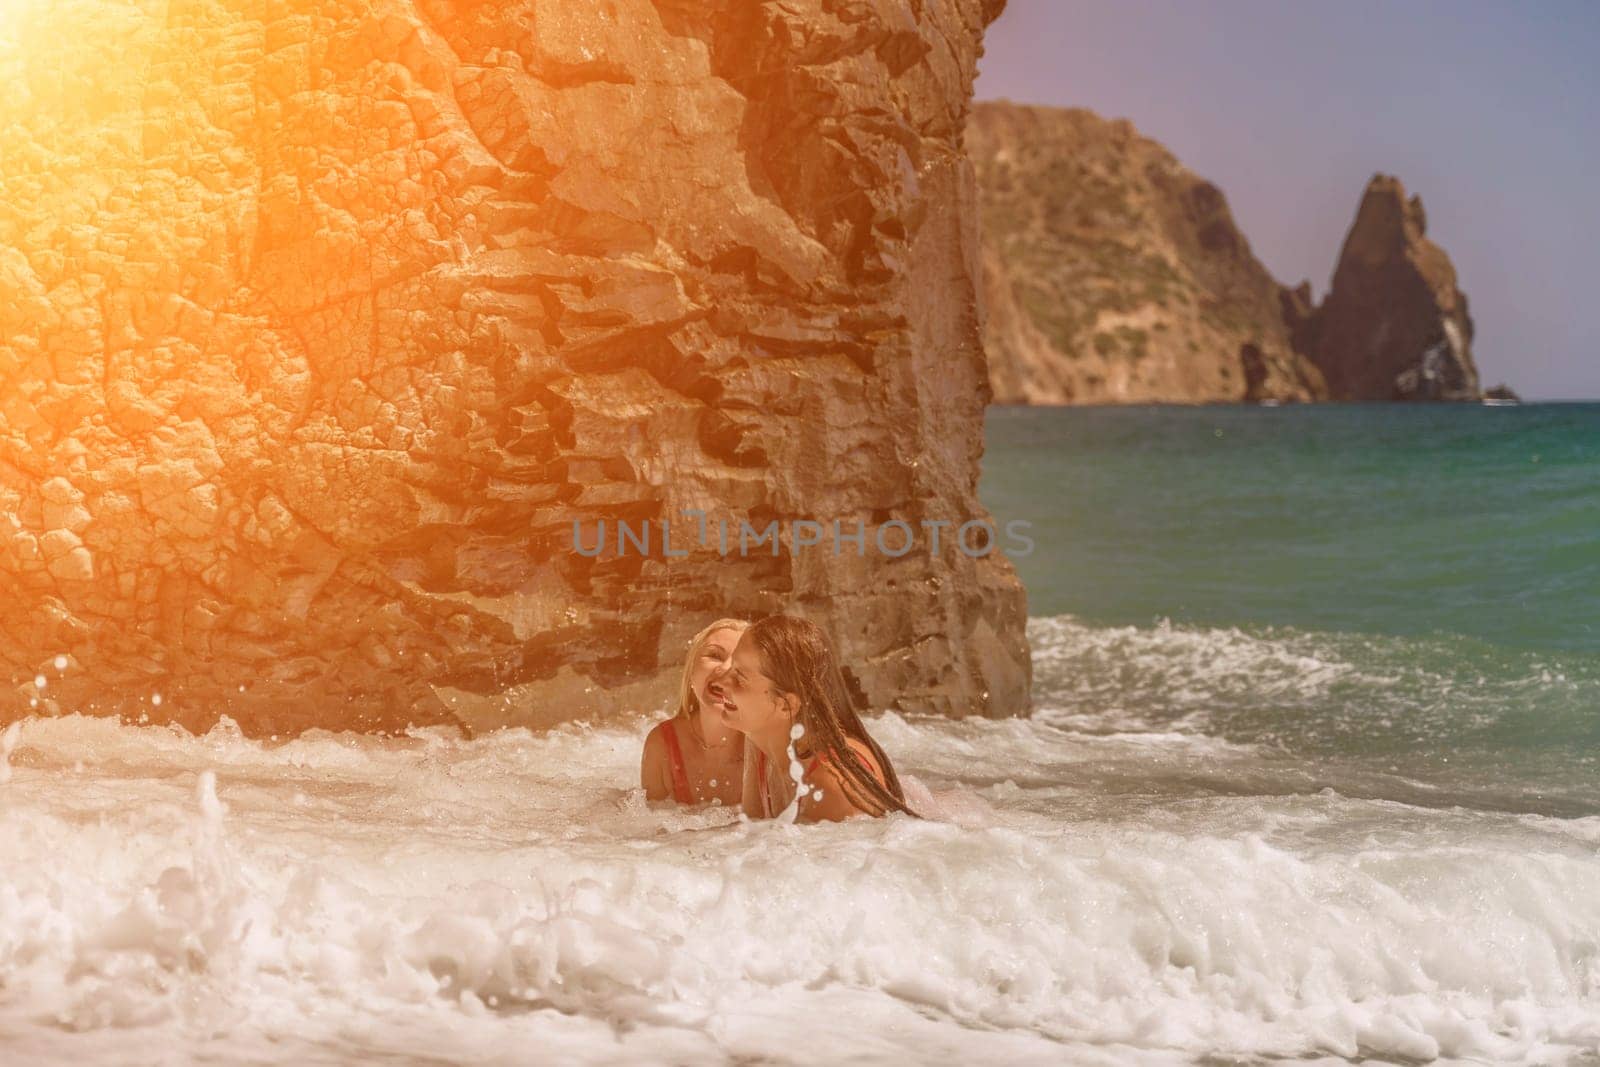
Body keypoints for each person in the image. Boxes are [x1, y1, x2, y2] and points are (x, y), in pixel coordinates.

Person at [705, 614, 915, 822]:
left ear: (785, 705)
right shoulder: (761, 737)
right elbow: (752, 830)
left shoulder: (833, 787)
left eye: (740, 677)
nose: (721, 681)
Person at [639, 618, 749, 806]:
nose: (725, 669)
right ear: (691, 669)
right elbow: (651, 831)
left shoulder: (766, 746)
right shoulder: (661, 745)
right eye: (715, 655)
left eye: (741, 663)